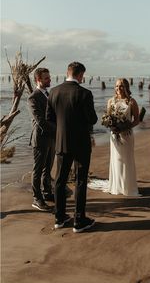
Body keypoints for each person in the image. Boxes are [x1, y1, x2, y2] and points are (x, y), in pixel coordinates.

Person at [46, 61, 98, 232]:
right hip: (81, 143)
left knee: (60, 180)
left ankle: (59, 218)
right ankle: (79, 220)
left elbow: (49, 118)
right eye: (83, 75)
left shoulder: (54, 92)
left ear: (67, 72)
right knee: (80, 180)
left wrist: (62, 130)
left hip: (62, 142)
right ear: (80, 74)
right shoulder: (84, 93)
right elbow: (92, 119)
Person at [28, 67, 56, 211]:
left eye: (49, 77)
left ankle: (47, 193)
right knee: (38, 170)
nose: (49, 79)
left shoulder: (49, 94)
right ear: (38, 80)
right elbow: (40, 120)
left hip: (51, 138)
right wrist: (57, 128)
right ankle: (36, 198)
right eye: (46, 78)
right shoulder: (33, 97)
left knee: (48, 168)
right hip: (40, 138)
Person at [107, 78, 140, 196]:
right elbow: (108, 118)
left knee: (127, 160)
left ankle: (128, 187)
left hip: (127, 136)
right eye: (116, 86)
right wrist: (112, 127)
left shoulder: (131, 102)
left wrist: (127, 126)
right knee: (116, 159)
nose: (118, 88)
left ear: (126, 87)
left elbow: (137, 120)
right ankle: (117, 186)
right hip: (114, 135)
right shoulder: (111, 101)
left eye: (121, 86)